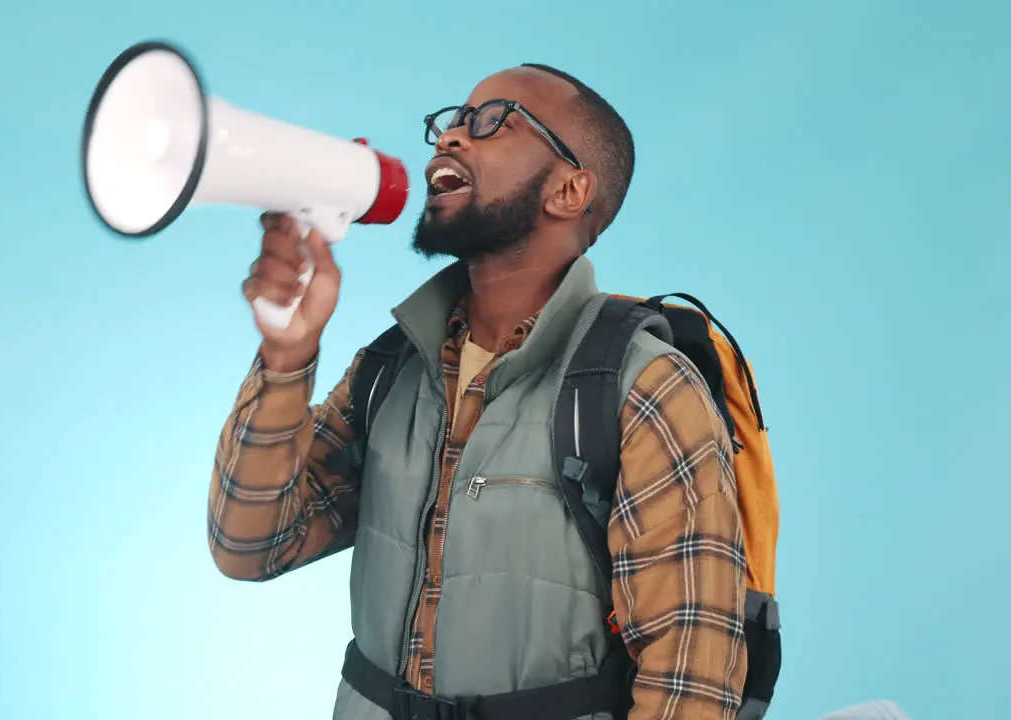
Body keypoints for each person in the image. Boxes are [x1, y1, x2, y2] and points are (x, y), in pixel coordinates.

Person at [208, 63, 750, 720]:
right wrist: (286, 355)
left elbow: (691, 681)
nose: (452, 138)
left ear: (571, 189)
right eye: (453, 121)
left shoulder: (644, 387)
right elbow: (250, 544)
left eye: (493, 122)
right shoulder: (391, 369)